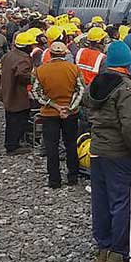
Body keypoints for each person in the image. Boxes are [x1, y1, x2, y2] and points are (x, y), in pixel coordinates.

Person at [83, 41, 131, 262]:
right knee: (122, 203)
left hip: (96, 151)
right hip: (119, 153)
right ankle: (118, 259)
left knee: (100, 201)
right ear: (128, 62)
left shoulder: (96, 84)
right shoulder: (127, 88)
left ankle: (103, 252)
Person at [33, 41, 84, 189]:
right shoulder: (74, 69)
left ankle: (54, 180)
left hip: (49, 115)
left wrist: (53, 105)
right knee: (70, 145)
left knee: (51, 147)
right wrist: (69, 108)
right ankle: (73, 177)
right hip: (70, 114)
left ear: (50, 53)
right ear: (64, 53)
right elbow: (80, 90)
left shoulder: (40, 70)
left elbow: (37, 93)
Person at [0, 31, 36, 155]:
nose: (32, 47)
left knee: (11, 120)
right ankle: (13, 146)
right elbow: (21, 75)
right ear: (26, 46)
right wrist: (33, 78)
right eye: (31, 45)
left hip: (7, 92)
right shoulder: (24, 59)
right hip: (17, 95)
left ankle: (11, 143)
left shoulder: (10, 55)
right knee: (18, 120)